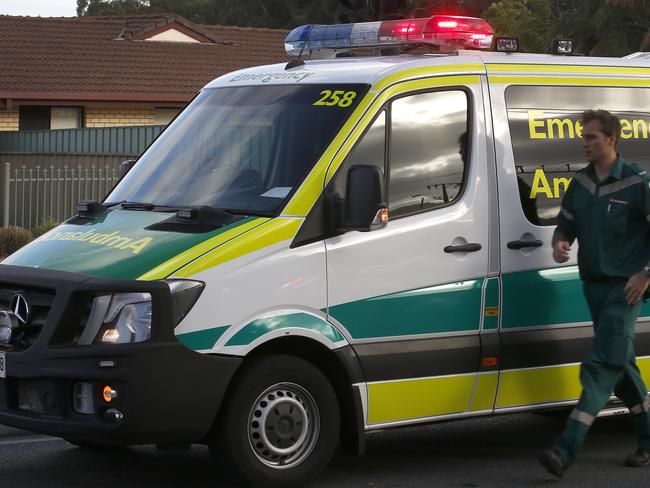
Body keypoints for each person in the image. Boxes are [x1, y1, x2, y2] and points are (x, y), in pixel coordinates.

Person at [539, 109, 650, 478]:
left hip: (626, 290)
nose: (584, 143)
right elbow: (566, 225)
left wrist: (645, 274)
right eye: (582, 137)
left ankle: (565, 447)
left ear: (612, 139)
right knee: (621, 366)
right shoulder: (581, 183)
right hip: (593, 288)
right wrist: (560, 243)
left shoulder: (637, 182)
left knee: (601, 365)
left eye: (591, 137)